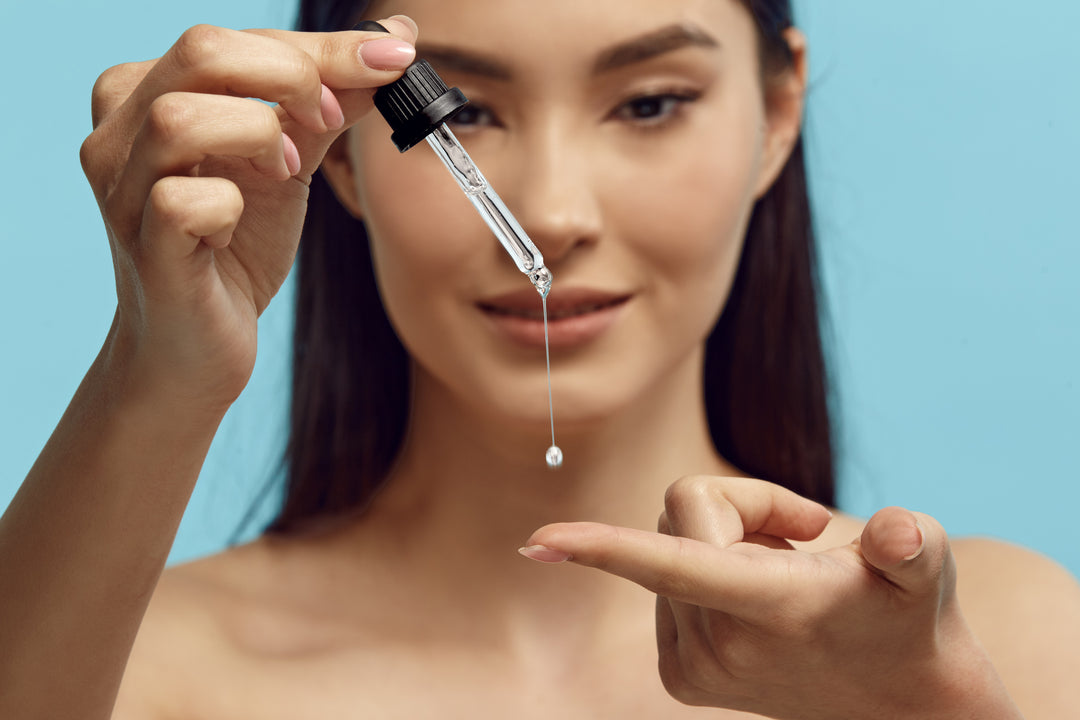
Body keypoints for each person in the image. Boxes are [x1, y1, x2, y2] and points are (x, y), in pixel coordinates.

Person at [2, 1, 1078, 718]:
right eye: (456, 113)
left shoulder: (993, 649)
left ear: (778, 112)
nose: (553, 215)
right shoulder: (139, 670)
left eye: (650, 103)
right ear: (335, 146)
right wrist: (157, 370)